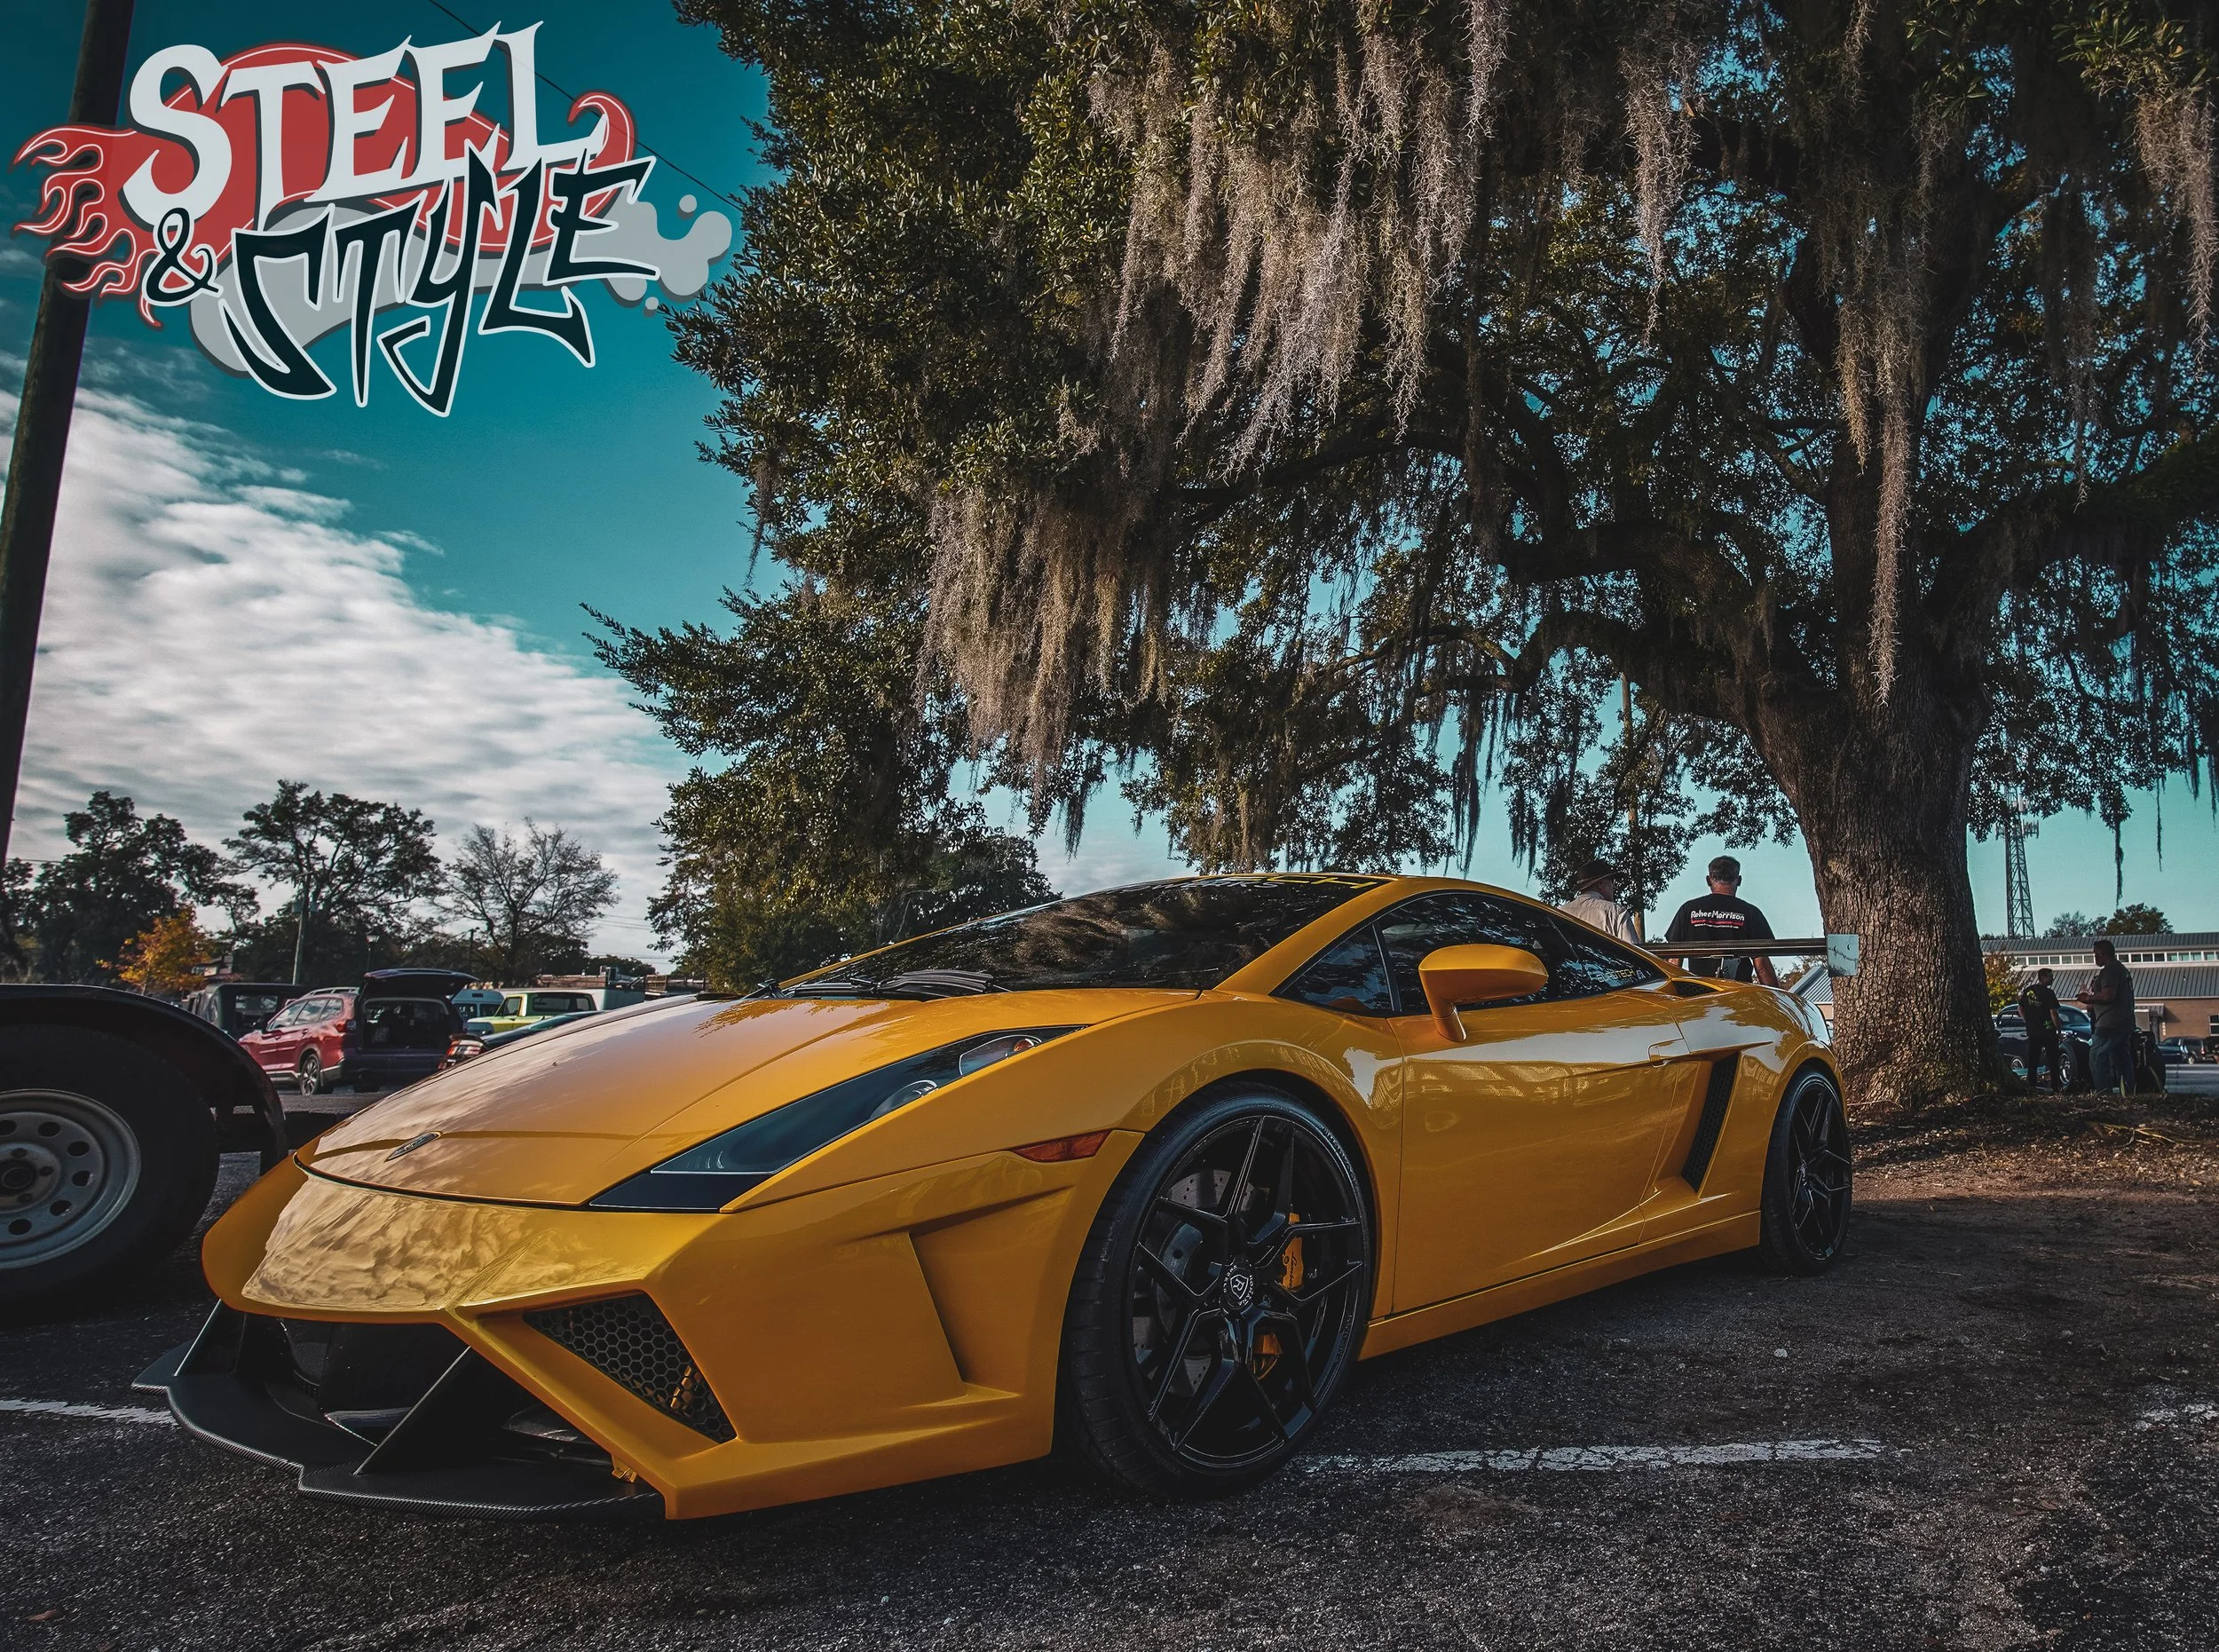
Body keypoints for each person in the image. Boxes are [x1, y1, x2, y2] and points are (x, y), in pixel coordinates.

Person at [1663, 855, 1779, 986]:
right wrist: (1777, 1000)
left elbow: (1674, 960)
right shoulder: (1751, 912)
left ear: (1708, 880)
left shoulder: (1688, 910)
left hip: (1701, 994)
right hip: (1739, 994)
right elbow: (1762, 965)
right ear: (1739, 880)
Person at [2078, 938, 2137, 1095]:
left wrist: (2088, 998)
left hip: (2110, 1023)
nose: (2094, 957)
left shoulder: (2110, 970)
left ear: (2101, 953)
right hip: (2124, 1021)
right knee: (2121, 1057)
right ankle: (2129, 1092)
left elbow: (2108, 996)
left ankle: (2104, 1094)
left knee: (2097, 1056)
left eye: (2095, 954)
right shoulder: (2122, 969)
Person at [1559, 858, 1643, 944]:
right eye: (1612, 882)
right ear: (1601, 884)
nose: (1614, 887)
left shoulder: (1559, 913)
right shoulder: (1616, 913)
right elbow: (1633, 954)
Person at [2017, 967, 2065, 1094]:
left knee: (2033, 1060)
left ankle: (2031, 1086)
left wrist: (2028, 1022)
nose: (2052, 979)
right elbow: (2053, 1012)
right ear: (2043, 977)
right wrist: (2059, 1031)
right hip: (2048, 1031)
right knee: (2053, 1060)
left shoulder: (2028, 991)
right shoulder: (2048, 993)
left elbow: (2020, 1009)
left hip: (2033, 1032)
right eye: (2050, 977)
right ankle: (2056, 1087)